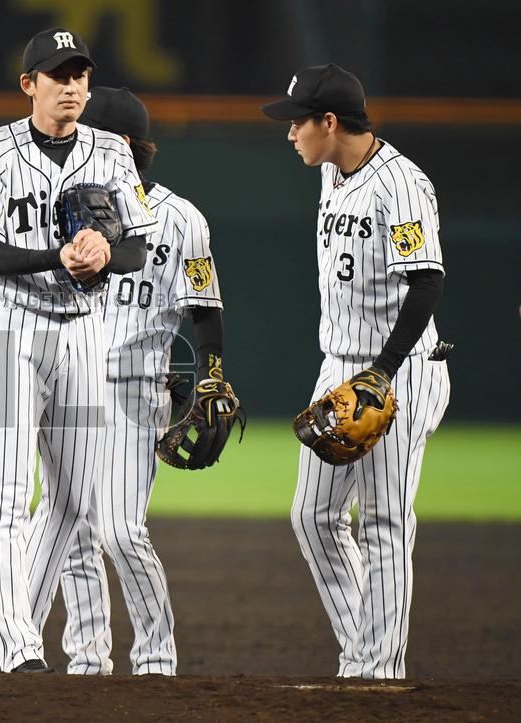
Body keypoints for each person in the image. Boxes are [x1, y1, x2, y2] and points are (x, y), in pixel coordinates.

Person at [0, 28, 155, 673]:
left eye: (80, 75)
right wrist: (57, 255)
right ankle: (16, 641)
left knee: (71, 498)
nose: (71, 86)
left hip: (85, 329)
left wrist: (103, 256)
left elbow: (138, 247)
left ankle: (19, 619)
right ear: (28, 84)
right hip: (13, 327)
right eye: (57, 74)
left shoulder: (110, 153)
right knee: (9, 490)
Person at [262, 63, 450, 679]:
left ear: (330, 122)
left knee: (385, 520)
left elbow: (426, 283)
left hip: (400, 369)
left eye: (297, 122)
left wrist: (383, 372)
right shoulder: (333, 174)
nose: (290, 134)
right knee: (312, 517)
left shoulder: (401, 185)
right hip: (337, 366)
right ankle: (364, 654)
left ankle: (380, 671)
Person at [50, 87, 232, 675]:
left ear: (121, 147)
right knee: (70, 530)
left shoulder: (181, 220)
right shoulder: (66, 208)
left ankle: (155, 658)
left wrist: (211, 378)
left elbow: (205, 308)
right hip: (68, 388)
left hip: (135, 394)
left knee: (121, 530)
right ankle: (87, 659)